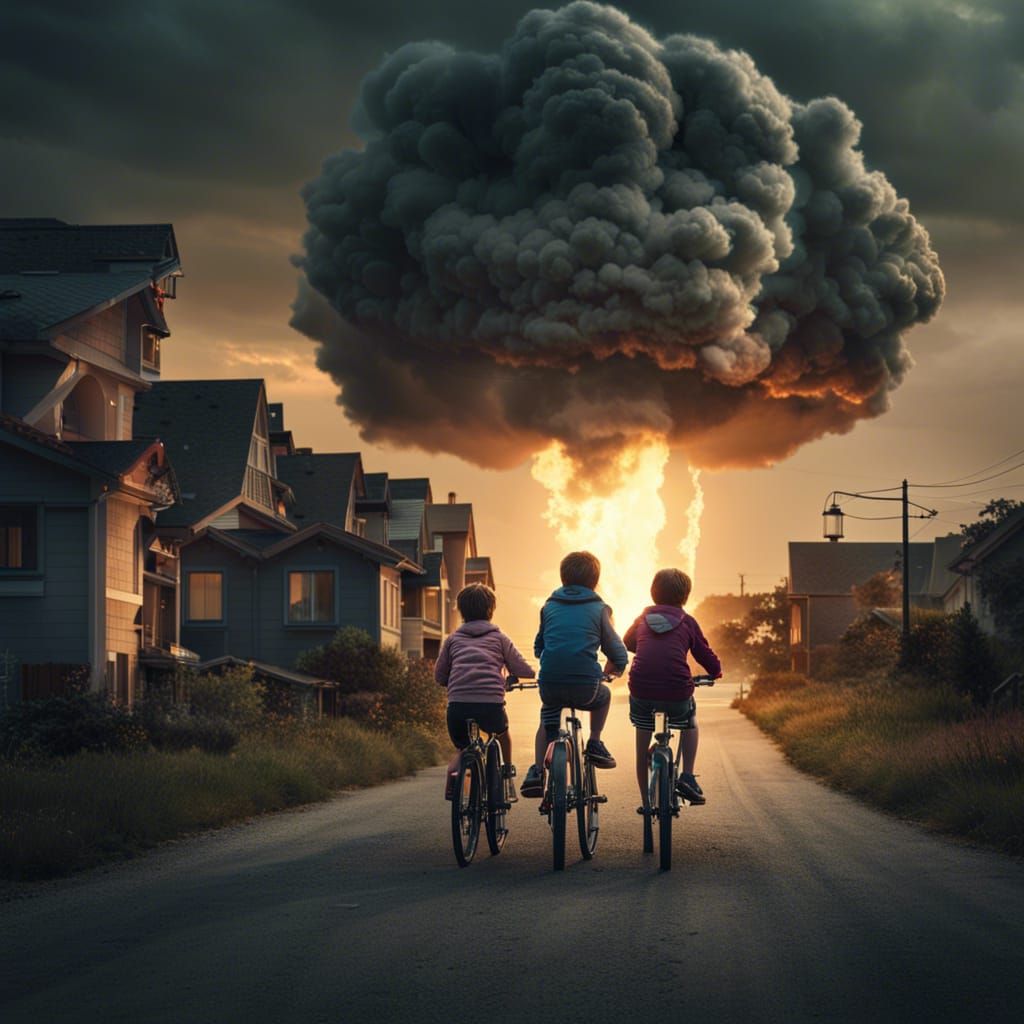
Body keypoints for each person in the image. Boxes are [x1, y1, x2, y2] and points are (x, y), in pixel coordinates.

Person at [520, 551, 628, 798]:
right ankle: (595, 742)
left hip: (550, 684)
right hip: (586, 687)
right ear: (595, 581)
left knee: (547, 718)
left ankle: (537, 771)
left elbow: (539, 648)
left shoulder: (548, 607)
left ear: (563, 578)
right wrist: (614, 670)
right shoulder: (600, 609)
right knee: (605, 696)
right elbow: (617, 651)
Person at [623, 568, 721, 807]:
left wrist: (647, 652)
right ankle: (687, 775)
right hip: (677, 693)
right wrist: (715, 671)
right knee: (690, 720)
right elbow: (703, 653)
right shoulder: (687, 622)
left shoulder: (641, 619)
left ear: (653, 592)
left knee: (641, 740)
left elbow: (627, 641)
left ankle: (646, 804)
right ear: (685, 596)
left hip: (642, 691)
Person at [435, 582, 534, 800]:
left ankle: (455, 771)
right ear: (491, 610)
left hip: (457, 708)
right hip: (491, 707)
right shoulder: (500, 639)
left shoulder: (452, 640)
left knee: (463, 747)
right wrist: (519, 676)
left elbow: (439, 676)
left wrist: (452, 682)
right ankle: (507, 776)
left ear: (462, 611)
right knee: (501, 735)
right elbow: (523, 669)